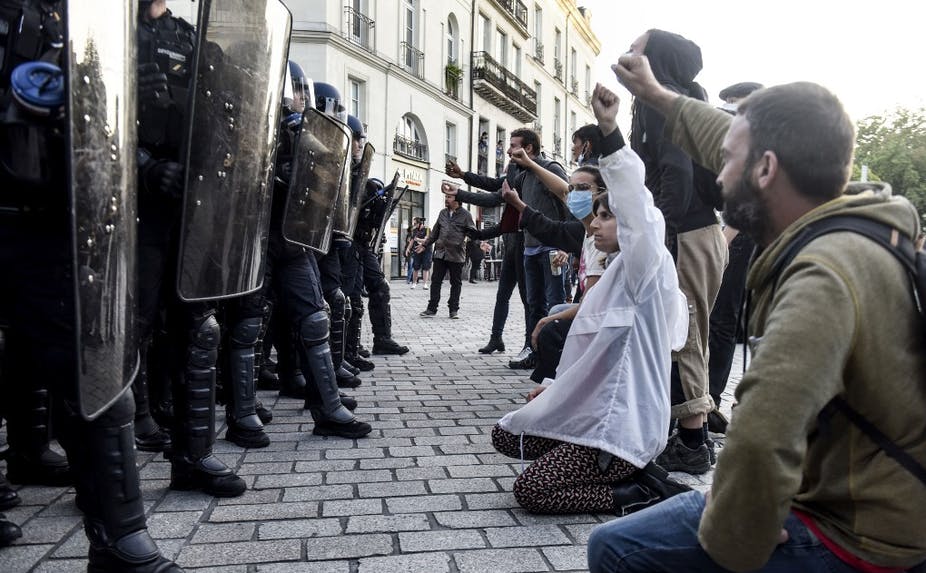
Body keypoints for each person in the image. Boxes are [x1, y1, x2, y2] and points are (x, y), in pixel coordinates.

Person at [587, 51, 926, 573]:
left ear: (766, 170)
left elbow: (762, 439)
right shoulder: (851, 218)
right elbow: (733, 135)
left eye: (727, 163)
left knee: (616, 549)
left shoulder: (823, 275)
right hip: (877, 501)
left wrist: (734, 549)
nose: (719, 179)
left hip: (861, 535)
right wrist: (658, 96)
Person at [0, 0, 183, 568]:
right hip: (17, 204)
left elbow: (97, 120)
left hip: (55, 213)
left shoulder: (75, 18)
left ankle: (119, 539)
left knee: (91, 363)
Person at [491, 83, 689, 515]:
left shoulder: (644, 269)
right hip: (595, 412)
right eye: (595, 215)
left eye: (605, 215)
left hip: (621, 428)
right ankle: (594, 463)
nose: (595, 224)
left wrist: (611, 132)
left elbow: (634, 206)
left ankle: (635, 490)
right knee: (507, 434)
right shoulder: (620, 269)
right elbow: (590, 357)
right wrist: (552, 390)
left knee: (533, 492)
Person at [627, 29, 727, 474]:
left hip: (684, 233)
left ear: (658, 61)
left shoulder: (660, 102)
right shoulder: (690, 101)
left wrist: (660, 234)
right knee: (690, 334)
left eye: (637, 48)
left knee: (682, 334)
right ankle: (695, 436)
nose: (628, 53)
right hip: (702, 231)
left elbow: (677, 172)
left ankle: (690, 442)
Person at [446, 128, 570, 369]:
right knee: (533, 303)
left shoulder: (551, 169)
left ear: (529, 148)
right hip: (529, 248)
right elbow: (496, 194)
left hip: (551, 249)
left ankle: (558, 356)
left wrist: (566, 246)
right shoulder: (520, 175)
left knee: (554, 303)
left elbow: (568, 203)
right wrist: (461, 187)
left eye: (512, 145)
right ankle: (532, 350)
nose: (507, 151)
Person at [706, 81, 764, 434]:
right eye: (725, 103)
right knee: (720, 321)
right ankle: (712, 399)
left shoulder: (760, 142)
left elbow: (751, 196)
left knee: (725, 322)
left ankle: (715, 399)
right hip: (729, 235)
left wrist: (726, 239)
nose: (728, 110)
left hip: (740, 238)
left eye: (734, 104)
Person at [417, 189, 474, 319]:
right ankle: (431, 309)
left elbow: (472, 232)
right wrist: (424, 245)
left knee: (456, 283)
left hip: (457, 254)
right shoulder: (442, 213)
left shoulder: (466, 215)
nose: (446, 199)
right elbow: (435, 233)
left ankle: (453, 310)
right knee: (436, 281)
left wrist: (470, 241)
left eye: (449, 197)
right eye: (446, 196)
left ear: (457, 200)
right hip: (440, 253)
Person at [407, 217, 431, 288]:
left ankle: (425, 284)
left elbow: (427, 240)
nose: (414, 225)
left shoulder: (427, 229)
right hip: (417, 250)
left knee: (426, 267)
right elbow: (412, 240)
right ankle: (414, 283)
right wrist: (408, 248)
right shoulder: (414, 230)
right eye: (413, 223)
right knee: (416, 266)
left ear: (420, 223)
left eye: (415, 223)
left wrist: (418, 239)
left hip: (426, 250)